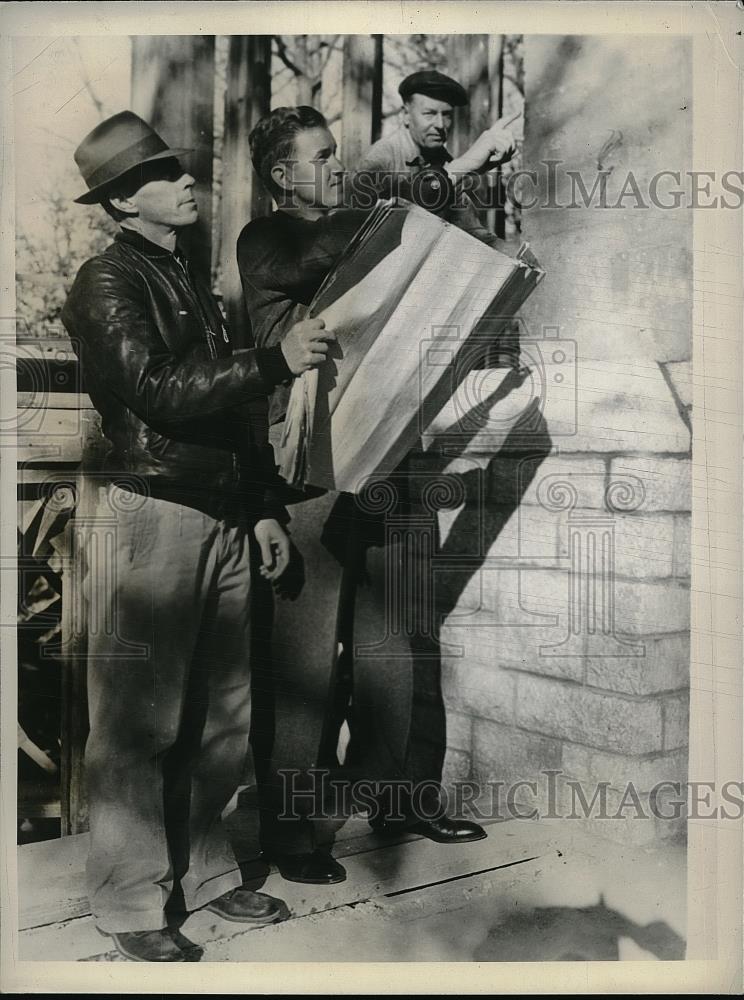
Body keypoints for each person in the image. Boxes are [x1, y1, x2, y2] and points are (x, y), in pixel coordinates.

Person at [61, 111, 333, 962]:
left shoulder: (188, 282)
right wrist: (276, 361)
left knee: (222, 714)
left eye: (184, 169)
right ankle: (129, 898)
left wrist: (258, 508)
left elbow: (229, 418)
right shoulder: (104, 282)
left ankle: (208, 877)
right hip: (151, 513)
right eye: (164, 175)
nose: (188, 181)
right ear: (119, 204)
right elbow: (160, 389)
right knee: (139, 721)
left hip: (217, 513)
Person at [237, 106, 492, 888]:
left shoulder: (364, 224)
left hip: (391, 455)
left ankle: (400, 799)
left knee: (398, 645)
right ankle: (294, 831)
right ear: (283, 175)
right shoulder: (268, 239)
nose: (337, 168)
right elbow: (332, 246)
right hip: (310, 470)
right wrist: (428, 183)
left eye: (338, 154)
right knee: (307, 658)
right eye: (321, 157)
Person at [353, 69, 517, 249]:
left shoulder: (444, 160)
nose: (440, 125)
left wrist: (511, 251)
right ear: (406, 115)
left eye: (446, 115)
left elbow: (470, 231)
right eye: (429, 114)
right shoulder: (381, 159)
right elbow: (359, 235)